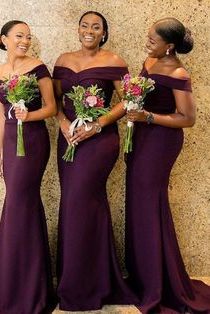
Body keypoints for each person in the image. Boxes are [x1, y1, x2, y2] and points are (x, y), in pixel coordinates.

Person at [53, 11, 138, 311]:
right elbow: (55, 101)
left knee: (80, 202)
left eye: (96, 27)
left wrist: (97, 125)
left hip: (100, 141)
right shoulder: (62, 60)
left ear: (104, 33)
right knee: (79, 204)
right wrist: (64, 123)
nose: (89, 31)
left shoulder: (115, 61)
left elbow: (130, 100)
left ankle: (83, 288)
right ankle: (95, 279)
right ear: (78, 29)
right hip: (69, 139)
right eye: (85, 25)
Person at [124, 17, 210, 314]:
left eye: (152, 40)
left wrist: (147, 117)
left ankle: (159, 285)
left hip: (160, 142)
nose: (147, 43)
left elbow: (187, 118)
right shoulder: (151, 59)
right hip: (141, 137)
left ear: (170, 46)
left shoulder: (177, 71)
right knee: (139, 205)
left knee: (150, 206)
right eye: (148, 37)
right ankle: (143, 277)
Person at [0, 20, 57, 314]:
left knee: (19, 204)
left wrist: (29, 114)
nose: (25, 41)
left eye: (28, 37)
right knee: (21, 206)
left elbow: (52, 107)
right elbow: (0, 117)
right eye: (19, 36)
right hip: (10, 143)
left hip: (32, 141)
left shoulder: (38, 67)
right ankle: (23, 283)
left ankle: (24, 289)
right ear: (3, 39)